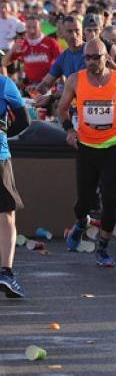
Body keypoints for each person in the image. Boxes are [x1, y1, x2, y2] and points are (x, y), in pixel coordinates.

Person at [59, 39, 116, 267]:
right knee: (84, 202)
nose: (90, 61)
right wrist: (70, 130)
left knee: (110, 201)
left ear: (106, 57)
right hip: (86, 148)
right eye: (87, 57)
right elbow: (62, 109)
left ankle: (103, 247)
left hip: (112, 147)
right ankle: (82, 222)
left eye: (96, 57)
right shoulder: (75, 80)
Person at [0, 75, 31, 298]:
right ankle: (6, 272)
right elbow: (24, 121)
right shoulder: (4, 83)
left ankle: (7, 274)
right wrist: (4, 134)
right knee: (6, 215)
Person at [5, 15, 61, 90]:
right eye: (28, 27)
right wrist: (12, 49)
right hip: (30, 86)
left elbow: (62, 63)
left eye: (35, 27)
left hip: (48, 85)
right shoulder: (22, 44)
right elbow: (4, 63)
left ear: (40, 28)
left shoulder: (50, 42)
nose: (32, 31)